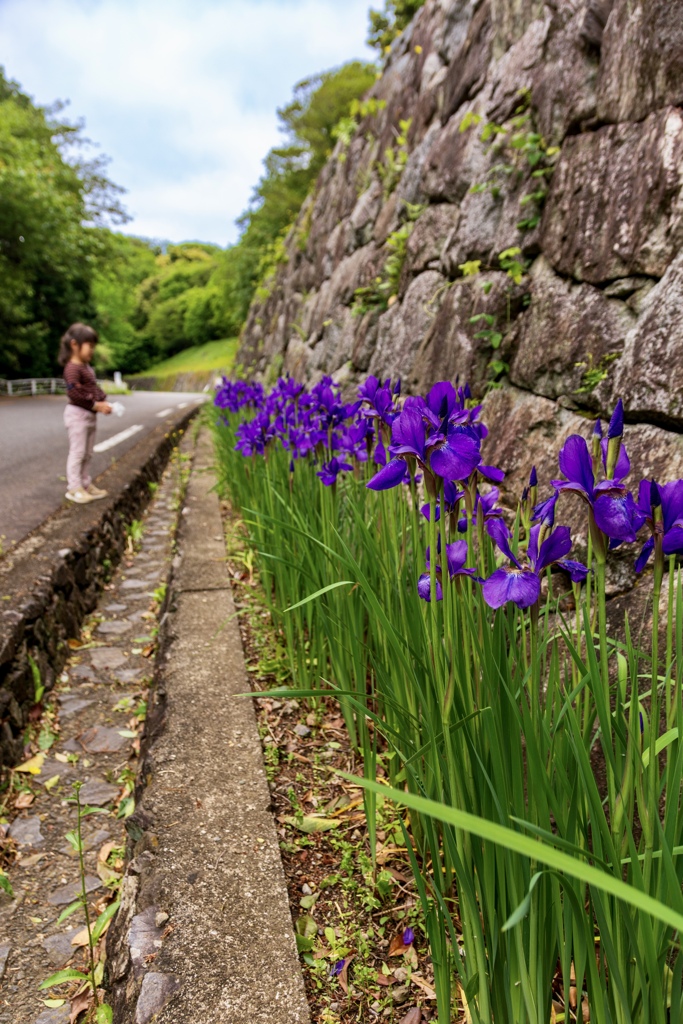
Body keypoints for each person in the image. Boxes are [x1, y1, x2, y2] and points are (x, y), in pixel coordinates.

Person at [57, 323, 112, 504]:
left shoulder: (87, 367)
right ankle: (74, 488)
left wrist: (102, 399)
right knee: (78, 452)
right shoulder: (72, 368)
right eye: (90, 346)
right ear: (75, 344)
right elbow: (75, 393)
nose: (92, 351)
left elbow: (92, 388)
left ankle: (85, 484)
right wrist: (97, 405)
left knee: (88, 453)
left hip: (89, 416)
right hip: (77, 416)